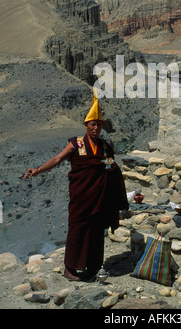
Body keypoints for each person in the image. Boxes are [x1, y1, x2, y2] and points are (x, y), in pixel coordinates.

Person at [24, 94, 129, 281]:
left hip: (99, 198)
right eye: (93, 124)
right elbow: (57, 159)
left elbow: (110, 166)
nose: (96, 128)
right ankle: (70, 268)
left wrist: (111, 168)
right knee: (77, 229)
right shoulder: (76, 144)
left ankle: (94, 268)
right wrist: (38, 170)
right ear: (86, 125)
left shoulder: (105, 146)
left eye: (99, 124)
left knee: (97, 232)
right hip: (81, 197)